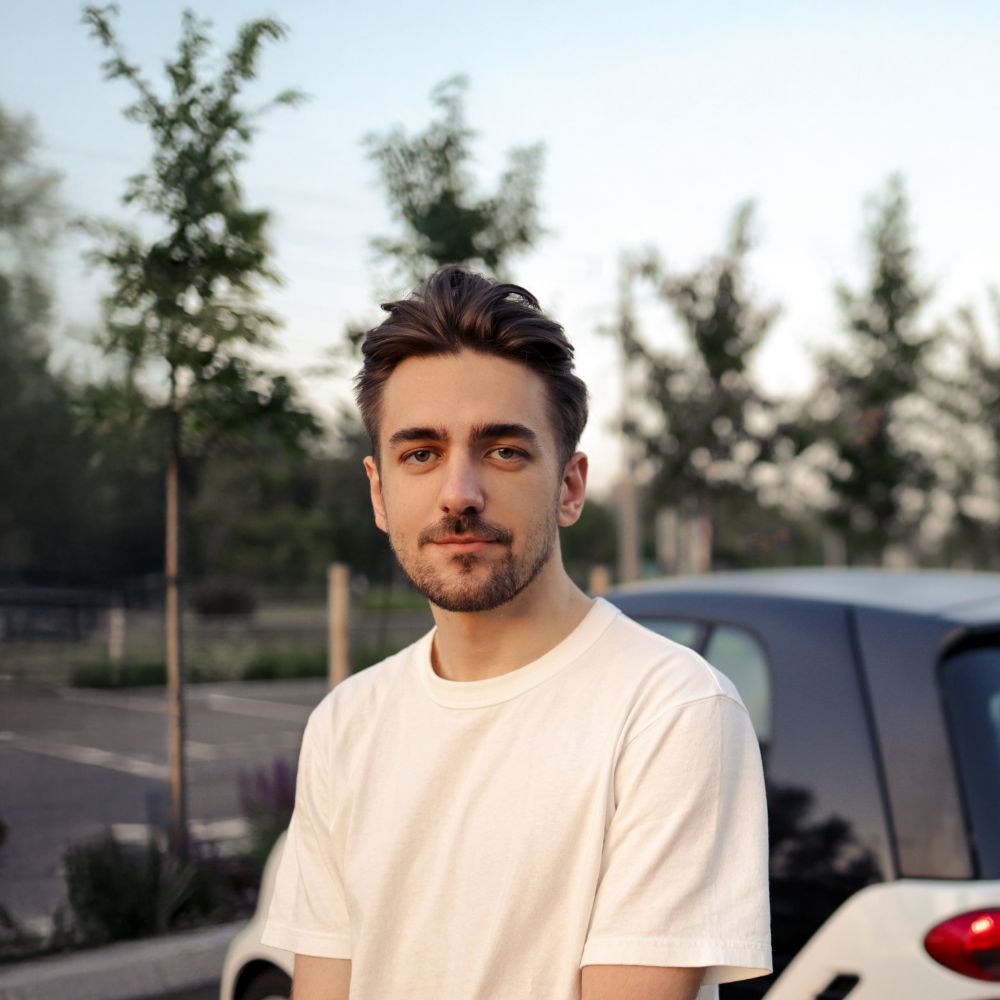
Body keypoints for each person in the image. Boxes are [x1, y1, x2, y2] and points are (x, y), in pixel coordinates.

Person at [262, 266, 771, 1000]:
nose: (459, 495)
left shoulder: (671, 711)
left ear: (569, 486)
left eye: (503, 451)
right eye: (420, 454)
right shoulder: (345, 724)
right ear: (378, 492)